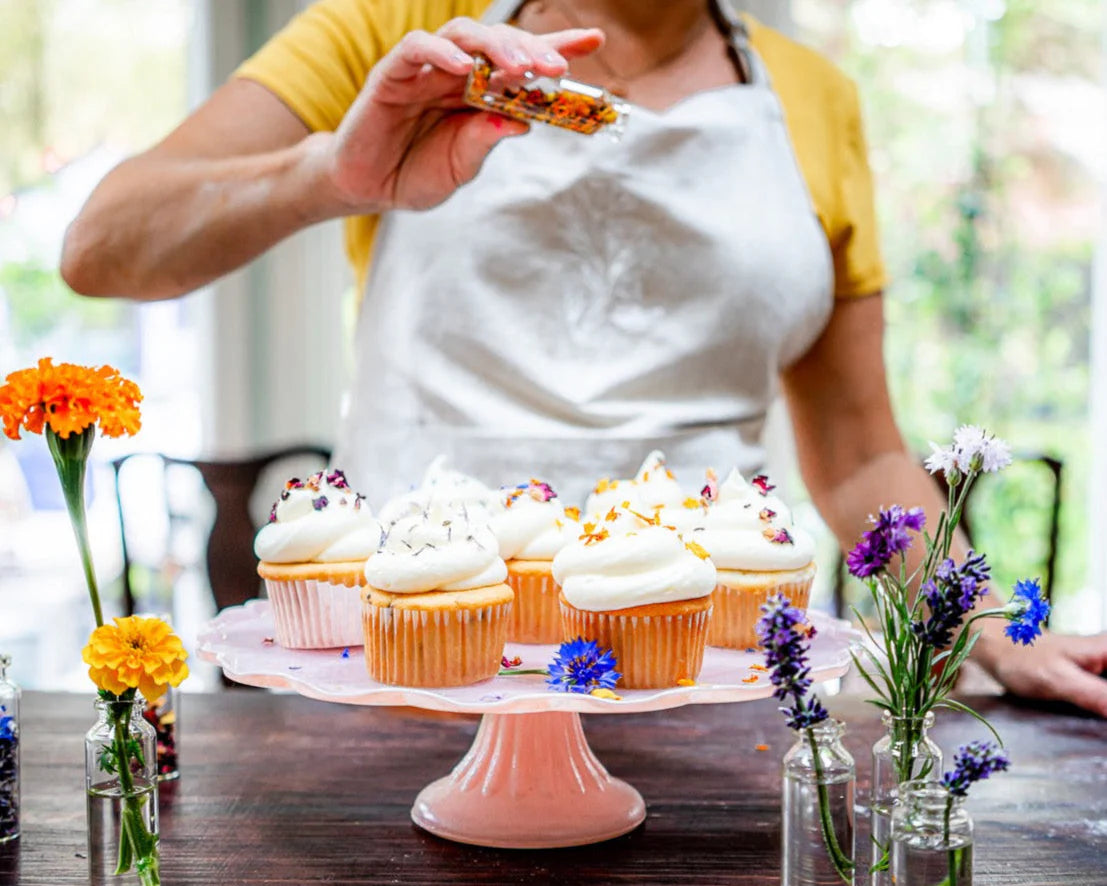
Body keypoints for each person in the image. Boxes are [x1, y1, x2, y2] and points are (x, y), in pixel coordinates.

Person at [60, 0, 1107, 715]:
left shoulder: (815, 98)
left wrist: (983, 621)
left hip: (715, 685)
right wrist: (333, 171)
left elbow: (858, 450)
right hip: (415, 683)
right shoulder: (394, 26)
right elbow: (104, 244)